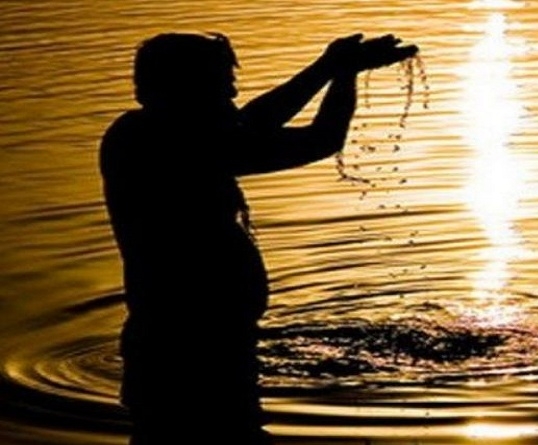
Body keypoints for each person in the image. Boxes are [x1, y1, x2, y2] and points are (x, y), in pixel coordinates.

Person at [99, 32, 418, 445]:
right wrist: (342, 75)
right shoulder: (167, 143)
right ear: (185, 88)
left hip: (205, 346)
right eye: (221, 83)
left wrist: (327, 67)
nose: (232, 93)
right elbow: (320, 139)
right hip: (190, 355)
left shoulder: (153, 132)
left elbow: (251, 123)